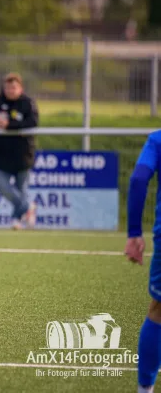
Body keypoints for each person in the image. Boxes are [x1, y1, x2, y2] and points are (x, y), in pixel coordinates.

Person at [125, 130, 161, 393]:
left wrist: (134, 233)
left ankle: (145, 390)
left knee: (159, 311)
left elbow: (139, 179)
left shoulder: (158, 139)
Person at [0, 72, 38, 230]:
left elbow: (33, 122)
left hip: (23, 156)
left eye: (14, 87)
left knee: (22, 190)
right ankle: (28, 207)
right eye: (8, 87)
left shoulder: (27, 103)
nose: (10, 90)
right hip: (2, 156)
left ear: (20, 88)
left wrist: (10, 125)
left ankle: (16, 220)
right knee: (1, 186)